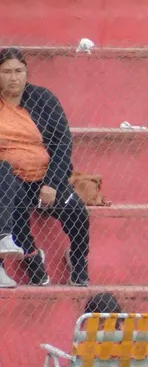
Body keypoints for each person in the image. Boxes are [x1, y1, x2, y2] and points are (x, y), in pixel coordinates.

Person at [0, 47, 90, 288]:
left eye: (19, 70)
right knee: (13, 205)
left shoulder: (43, 99)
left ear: (27, 72)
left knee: (78, 213)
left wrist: (51, 183)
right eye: (7, 71)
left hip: (47, 177)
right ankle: (32, 259)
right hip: (10, 178)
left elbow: (63, 141)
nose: (14, 77)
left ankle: (78, 258)